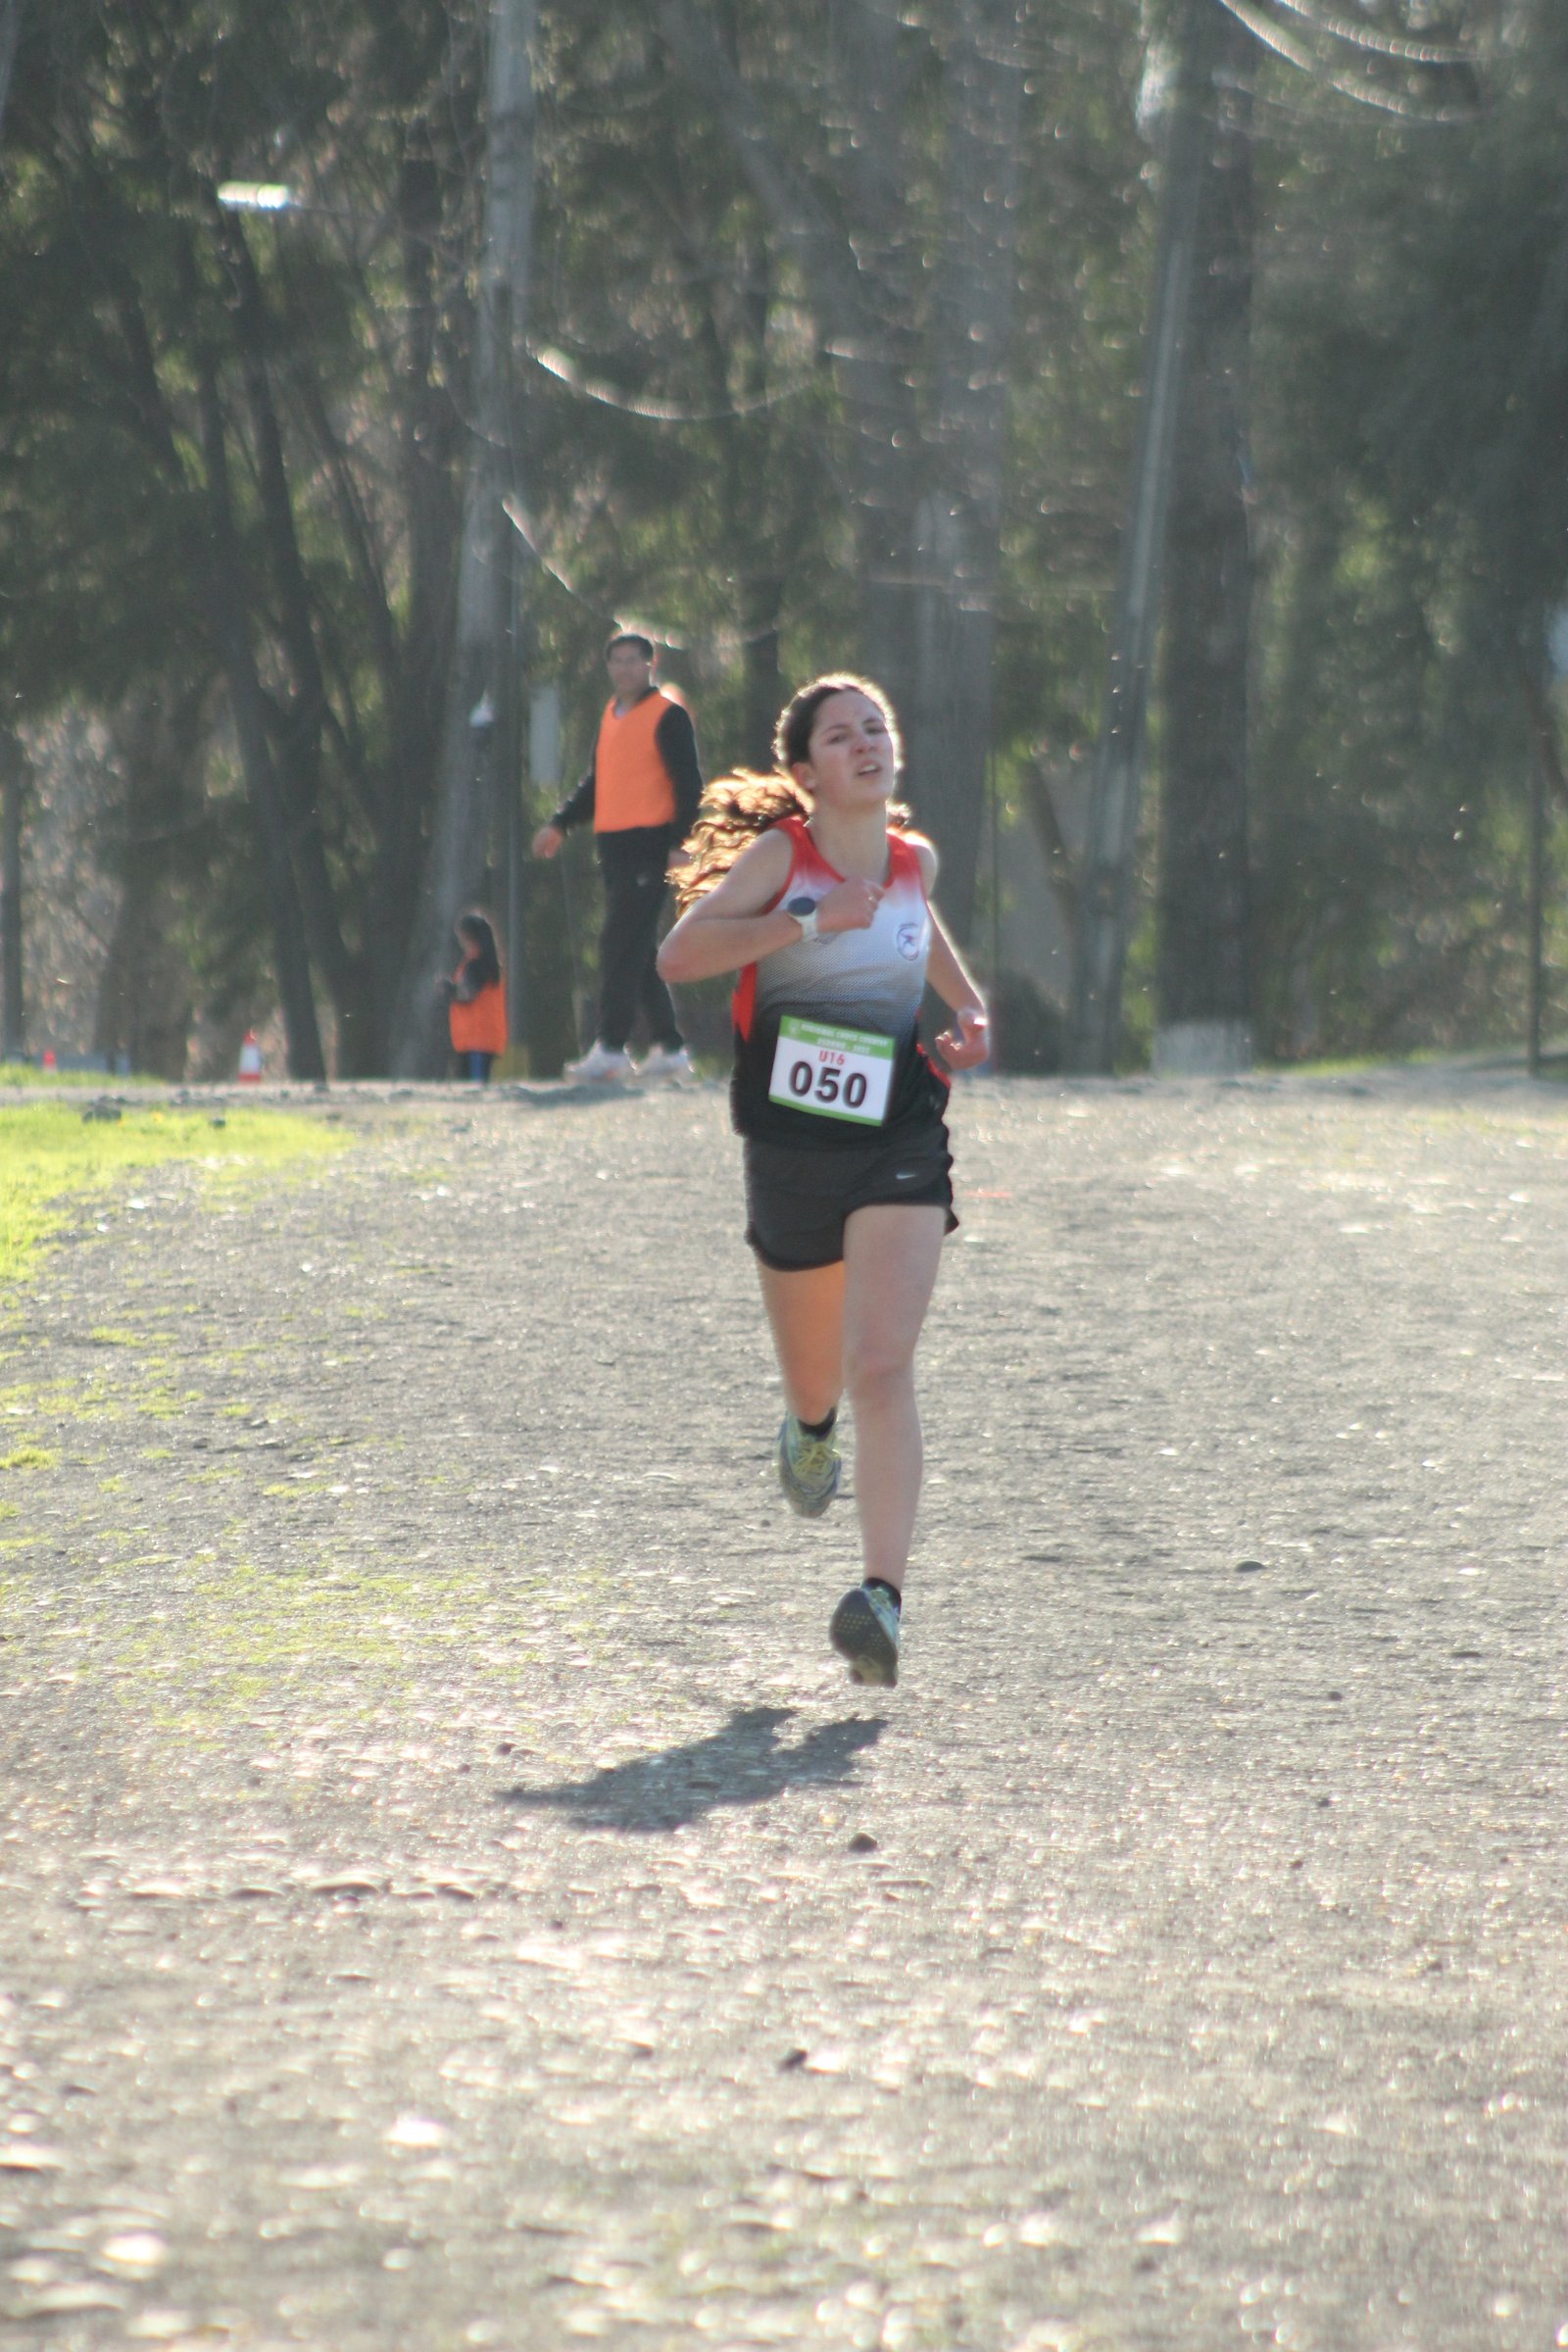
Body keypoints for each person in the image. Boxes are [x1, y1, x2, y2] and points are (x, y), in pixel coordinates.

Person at [656, 674, 989, 1689]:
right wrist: (809, 923)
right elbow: (679, 958)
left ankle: (881, 1598)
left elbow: (916, 919)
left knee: (880, 1363)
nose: (866, 743)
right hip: (793, 1150)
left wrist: (968, 1008)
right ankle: (808, 1435)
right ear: (806, 773)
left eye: (877, 727)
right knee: (818, 1384)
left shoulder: (909, 862)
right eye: (841, 736)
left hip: (898, 1137)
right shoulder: (779, 859)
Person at [531, 631, 703, 1082]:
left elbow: (689, 784)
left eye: (633, 660)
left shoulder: (668, 715)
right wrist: (560, 822)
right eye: (617, 661)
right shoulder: (611, 715)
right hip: (615, 845)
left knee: (616, 943)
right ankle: (670, 1047)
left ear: (650, 663)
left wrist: (681, 843)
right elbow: (597, 781)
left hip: (651, 845)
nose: (625, 668)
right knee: (637, 949)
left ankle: (610, 1046)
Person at [438, 910, 507, 1082]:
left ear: (469, 936)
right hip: (483, 1038)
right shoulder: (487, 963)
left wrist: (449, 989)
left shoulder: (476, 965)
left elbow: (467, 994)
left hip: (476, 1039)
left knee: (474, 1092)